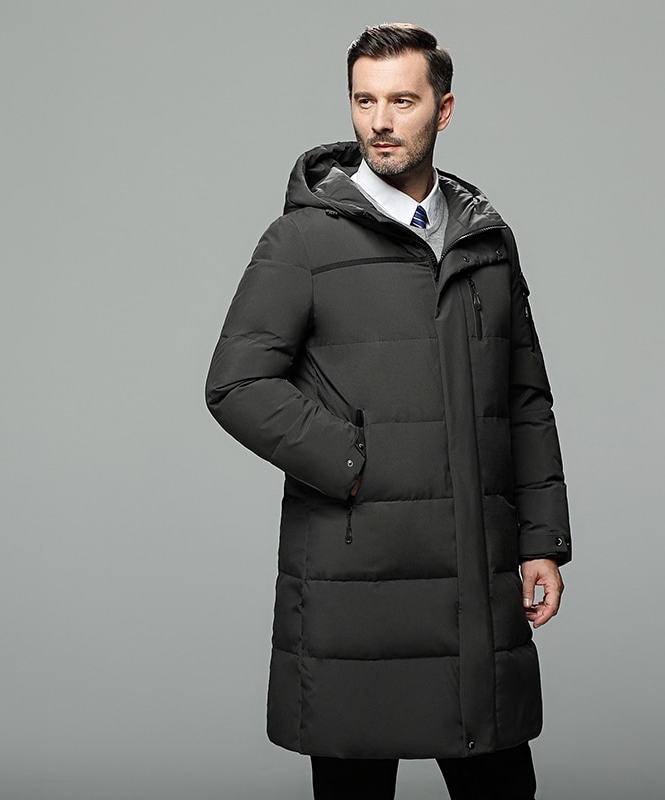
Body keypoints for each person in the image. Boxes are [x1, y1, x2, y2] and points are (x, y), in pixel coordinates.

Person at [205, 22, 571, 800]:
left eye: (402, 101)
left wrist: (542, 540)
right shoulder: (303, 241)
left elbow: (524, 397)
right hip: (355, 579)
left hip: (474, 573)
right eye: (364, 100)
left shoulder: (486, 242)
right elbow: (236, 383)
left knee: (500, 781)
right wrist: (354, 462)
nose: (379, 121)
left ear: (443, 109)